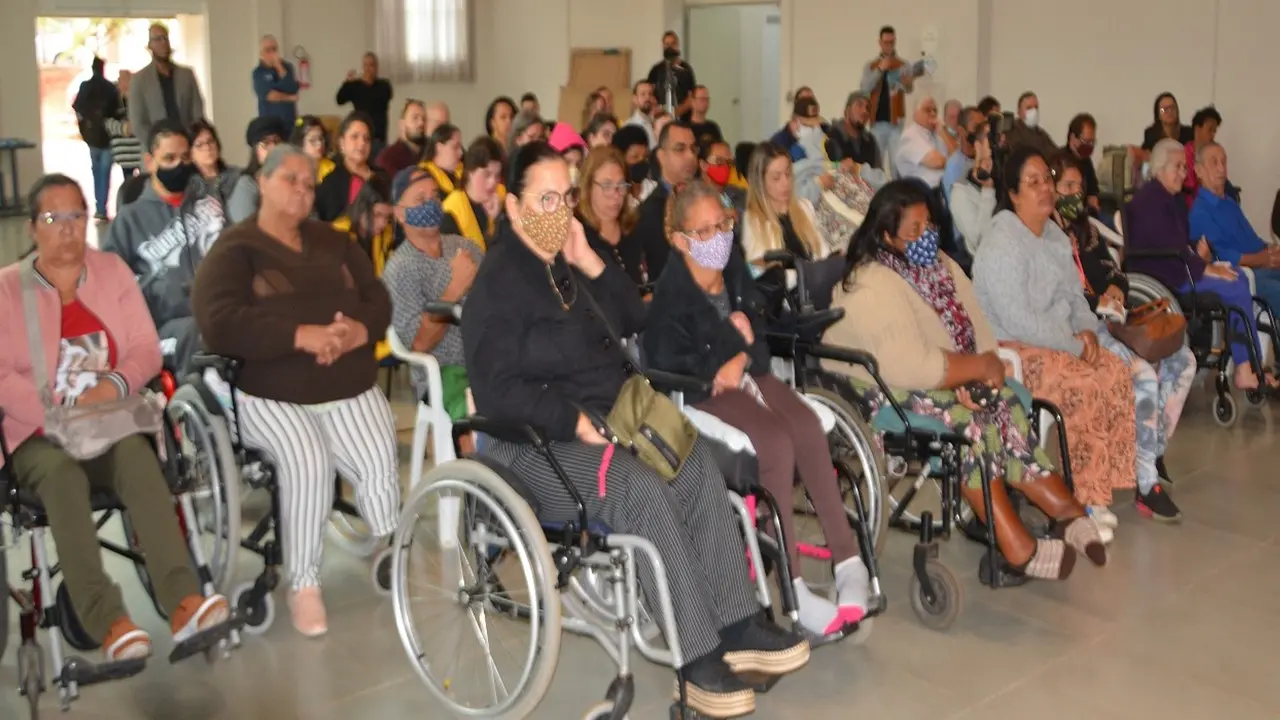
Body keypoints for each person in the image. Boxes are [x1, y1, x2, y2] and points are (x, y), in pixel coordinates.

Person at [462, 141, 809, 716]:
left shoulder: (566, 264)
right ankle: (696, 662)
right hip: (536, 443)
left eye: (565, 197)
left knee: (693, 462)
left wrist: (590, 259)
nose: (558, 211)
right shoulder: (497, 284)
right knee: (642, 488)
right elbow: (498, 389)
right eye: (544, 199)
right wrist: (571, 419)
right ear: (513, 206)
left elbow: (634, 316)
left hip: (616, 416)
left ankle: (738, 622)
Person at [3, 174, 231, 661]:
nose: (67, 228)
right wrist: (54, 414)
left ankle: (183, 602)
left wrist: (115, 385)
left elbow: (146, 349)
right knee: (62, 478)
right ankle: (107, 620)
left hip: (107, 420)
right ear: (31, 229)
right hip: (39, 436)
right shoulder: (6, 289)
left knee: (137, 456)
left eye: (76, 216)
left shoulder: (111, 271)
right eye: (53, 218)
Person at [829, 179, 1103, 580]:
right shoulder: (873, 282)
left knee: (1004, 401)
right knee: (970, 426)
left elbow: (978, 329)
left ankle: (1063, 510)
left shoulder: (941, 265)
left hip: (934, 375)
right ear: (887, 236)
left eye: (930, 226)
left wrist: (982, 373)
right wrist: (974, 372)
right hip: (877, 390)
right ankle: (1014, 544)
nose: (926, 238)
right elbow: (908, 367)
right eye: (914, 231)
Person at [645, 179, 872, 635]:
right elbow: (677, 364)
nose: (718, 238)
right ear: (680, 239)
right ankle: (793, 585)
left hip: (746, 373)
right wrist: (736, 344)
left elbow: (759, 342)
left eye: (723, 225)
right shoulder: (670, 298)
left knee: (807, 426)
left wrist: (742, 351)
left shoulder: (733, 273)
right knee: (774, 440)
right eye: (704, 231)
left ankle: (849, 560)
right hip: (704, 392)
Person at [192, 144, 400, 637]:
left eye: (309, 184)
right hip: (270, 390)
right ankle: (303, 583)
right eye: (290, 180)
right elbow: (218, 321)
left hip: (345, 379)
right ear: (262, 183)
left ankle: (390, 539)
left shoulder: (336, 241)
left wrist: (355, 331)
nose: (302, 192)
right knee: (307, 459)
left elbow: (377, 298)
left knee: (377, 457)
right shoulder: (236, 250)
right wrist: (298, 336)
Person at [972, 147, 1140, 521]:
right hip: (1011, 352)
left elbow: (1074, 297)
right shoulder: (1002, 242)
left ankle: (1099, 485)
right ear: (1013, 194)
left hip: (1060, 342)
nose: (1046, 188)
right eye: (1033, 182)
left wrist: (1087, 330)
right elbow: (1018, 320)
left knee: (1114, 371)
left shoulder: (1055, 237)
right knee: (1084, 384)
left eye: (1047, 179)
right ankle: (1086, 500)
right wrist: (1073, 345)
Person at [1050, 152, 1194, 522]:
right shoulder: (1044, 236)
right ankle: (1146, 486)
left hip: (1113, 319)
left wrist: (1114, 289)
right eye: (1066, 186)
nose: (1074, 195)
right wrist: (1094, 301)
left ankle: (1150, 449)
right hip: (1079, 327)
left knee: (1184, 360)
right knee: (1144, 376)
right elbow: (1057, 296)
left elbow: (1116, 272)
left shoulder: (1089, 230)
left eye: (1078, 188)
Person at [1127, 139, 1267, 391]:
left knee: (1237, 277)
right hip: (1164, 275)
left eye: (1185, 166)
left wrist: (1199, 249)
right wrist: (1206, 267)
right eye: (1178, 167)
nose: (1184, 173)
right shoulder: (1148, 201)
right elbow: (1167, 246)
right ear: (1160, 167)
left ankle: (1250, 363)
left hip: (1178, 266)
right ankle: (1246, 369)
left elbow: (1180, 241)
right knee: (1234, 284)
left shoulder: (1173, 199)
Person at [101, 120, 227, 374]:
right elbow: (108, 285)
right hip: (163, 328)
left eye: (184, 157)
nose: (179, 165)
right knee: (197, 334)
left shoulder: (210, 203)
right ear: (149, 161)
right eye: (169, 158)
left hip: (219, 312)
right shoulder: (130, 219)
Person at [383, 169, 481, 422]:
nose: (431, 204)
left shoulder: (464, 247)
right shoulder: (400, 268)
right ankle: (473, 454)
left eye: (435, 196)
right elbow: (419, 345)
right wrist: (455, 288)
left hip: (489, 356)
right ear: (400, 214)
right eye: (420, 199)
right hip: (445, 374)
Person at [1191, 142, 1280, 316]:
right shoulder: (1200, 211)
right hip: (1242, 274)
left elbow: (1253, 240)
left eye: (1224, 162)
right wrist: (1264, 259)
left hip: (1261, 265)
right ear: (1199, 170)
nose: (1221, 168)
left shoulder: (1230, 203)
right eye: (1214, 162)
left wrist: (1271, 250)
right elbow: (1223, 257)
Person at [632, 121, 698, 281]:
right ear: (661, 156)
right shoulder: (646, 214)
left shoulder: (705, 202)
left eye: (693, 149)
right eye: (680, 149)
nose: (690, 156)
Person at [128, 23, 206, 148]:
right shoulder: (139, 80)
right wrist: (158, 145)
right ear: (150, 45)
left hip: (187, 146)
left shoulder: (186, 75)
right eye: (158, 39)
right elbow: (138, 123)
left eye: (165, 38)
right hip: (156, 150)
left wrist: (191, 138)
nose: (163, 43)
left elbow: (197, 111)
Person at [578, 146, 644, 287]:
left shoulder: (633, 227)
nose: (616, 194)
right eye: (607, 185)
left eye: (621, 185)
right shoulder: (579, 234)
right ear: (588, 187)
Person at [860, 25, 916, 172]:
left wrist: (907, 83)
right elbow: (864, 88)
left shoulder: (903, 65)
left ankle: (897, 193)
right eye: (886, 42)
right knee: (875, 164)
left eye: (892, 42)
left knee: (897, 165)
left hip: (895, 124)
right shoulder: (871, 66)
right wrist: (880, 69)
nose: (889, 46)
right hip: (876, 123)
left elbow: (909, 89)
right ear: (880, 43)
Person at [315, 112, 386, 222]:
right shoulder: (330, 184)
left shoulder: (382, 177)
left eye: (366, 138)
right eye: (355, 137)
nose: (362, 143)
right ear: (342, 143)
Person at [73, 56, 120, 221]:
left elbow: (77, 106)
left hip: (91, 136)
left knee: (96, 171)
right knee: (105, 173)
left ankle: (99, 206)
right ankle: (102, 207)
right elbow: (117, 111)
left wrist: (84, 125)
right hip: (107, 137)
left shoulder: (85, 86)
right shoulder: (110, 88)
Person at [441, 136, 505, 250]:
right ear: (470, 171)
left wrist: (497, 220)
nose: (493, 182)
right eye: (486, 175)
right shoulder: (451, 211)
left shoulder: (502, 199)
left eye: (497, 175)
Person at [949, 115, 998, 255]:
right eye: (991, 140)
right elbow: (981, 242)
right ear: (978, 146)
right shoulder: (960, 192)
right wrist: (988, 190)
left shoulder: (1007, 176)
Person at [226, 116, 287, 223]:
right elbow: (246, 229)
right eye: (266, 143)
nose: (273, 149)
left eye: (277, 142)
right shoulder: (247, 185)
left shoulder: (292, 179)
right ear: (255, 150)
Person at [829, 92, 887, 190]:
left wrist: (858, 169)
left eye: (867, 108)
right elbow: (821, 169)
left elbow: (881, 180)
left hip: (865, 200)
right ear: (847, 110)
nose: (864, 111)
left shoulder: (870, 141)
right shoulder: (830, 135)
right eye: (859, 105)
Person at [335, 52, 394, 145]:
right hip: (361, 136)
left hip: (379, 138)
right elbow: (339, 100)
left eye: (371, 65)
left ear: (377, 67)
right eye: (366, 65)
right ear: (362, 67)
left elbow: (383, 99)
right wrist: (346, 84)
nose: (368, 69)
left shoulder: (384, 86)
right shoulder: (354, 86)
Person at [188, 119, 243, 209]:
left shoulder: (237, 176)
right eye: (199, 145)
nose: (207, 147)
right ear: (190, 154)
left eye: (210, 141)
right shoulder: (189, 187)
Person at [894, 96, 947, 188]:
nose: (933, 114)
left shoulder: (935, 134)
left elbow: (954, 156)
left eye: (935, 110)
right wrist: (942, 131)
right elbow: (937, 162)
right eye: (927, 110)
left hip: (940, 189)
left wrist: (943, 133)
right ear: (915, 114)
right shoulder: (911, 135)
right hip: (922, 192)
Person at [252, 35, 299, 128]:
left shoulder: (288, 67)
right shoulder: (258, 72)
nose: (272, 53)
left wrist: (280, 68)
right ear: (261, 53)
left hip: (289, 122)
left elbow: (292, 88)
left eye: (274, 49)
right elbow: (270, 96)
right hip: (269, 123)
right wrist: (289, 98)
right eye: (268, 50)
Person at [107, 70, 144, 189]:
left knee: (144, 181)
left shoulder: (139, 98)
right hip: (124, 152)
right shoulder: (113, 100)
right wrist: (123, 128)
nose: (121, 83)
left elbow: (144, 120)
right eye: (120, 79)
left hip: (139, 151)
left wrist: (133, 126)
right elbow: (107, 121)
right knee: (128, 183)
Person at [647, 31, 697, 117]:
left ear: (678, 45)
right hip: (660, 117)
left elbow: (692, 97)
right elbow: (649, 94)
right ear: (663, 46)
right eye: (667, 44)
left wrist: (674, 113)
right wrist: (661, 112)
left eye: (673, 43)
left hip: (683, 119)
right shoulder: (655, 70)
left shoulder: (686, 70)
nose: (670, 47)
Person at [374, 100, 427, 179]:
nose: (421, 123)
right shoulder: (388, 159)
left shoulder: (429, 154)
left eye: (424, 119)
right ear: (402, 124)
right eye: (415, 118)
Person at [942, 107, 982, 200]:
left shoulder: (984, 159)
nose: (981, 132)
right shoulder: (954, 167)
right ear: (961, 130)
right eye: (976, 127)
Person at [1064, 113, 1100, 213]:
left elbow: (1093, 189)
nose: (1089, 146)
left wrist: (1093, 198)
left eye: (1092, 142)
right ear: (1072, 138)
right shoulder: (1060, 162)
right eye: (1086, 141)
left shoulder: (1086, 160)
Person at [1183, 106, 1222, 202]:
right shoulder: (1183, 155)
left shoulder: (1214, 155)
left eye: (1214, 131)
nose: (1213, 135)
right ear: (1197, 129)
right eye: (1210, 130)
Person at [417, 123, 464, 200]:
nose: (461, 152)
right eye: (455, 147)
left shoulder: (462, 173)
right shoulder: (424, 175)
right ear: (439, 147)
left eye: (460, 147)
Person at [700, 140, 747, 216]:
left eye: (729, 162)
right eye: (719, 161)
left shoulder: (741, 194)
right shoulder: (690, 198)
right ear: (703, 165)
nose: (725, 167)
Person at [1004, 92, 1056, 157]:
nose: (1033, 111)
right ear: (1019, 111)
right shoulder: (1012, 130)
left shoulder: (1041, 133)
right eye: (1029, 108)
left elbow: (1054, 153)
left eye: (1036, 107)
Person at [289, 114, 335, 182]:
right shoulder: (291, 170)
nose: (319, 144)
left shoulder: (331, 168)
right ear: (299, 144)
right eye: (313, 140)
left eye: (321, 139)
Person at [623, 80, 658, 148]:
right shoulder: (629, 126)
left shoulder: (659, 122)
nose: (647, 97)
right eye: (643, 94)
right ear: (635, 99)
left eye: (650, 94)